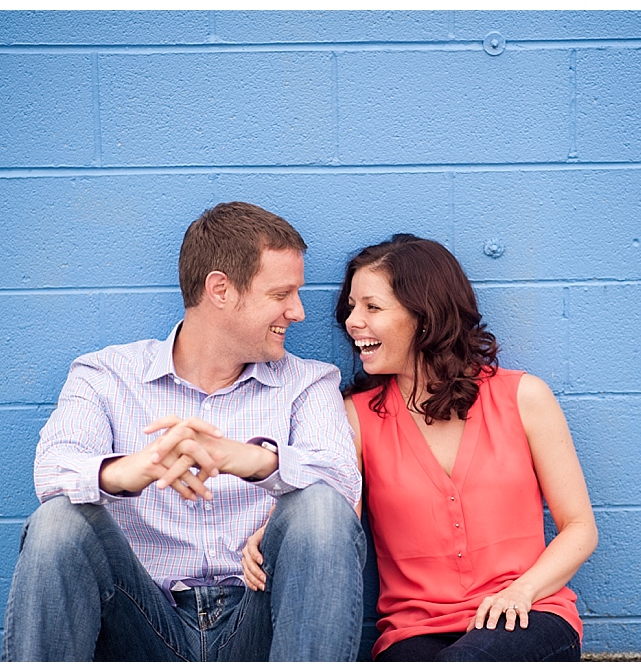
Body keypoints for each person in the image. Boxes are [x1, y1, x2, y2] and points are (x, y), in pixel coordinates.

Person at [1, 202, 365, 662]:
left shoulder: (309, 381)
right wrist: (129, 470)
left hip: (258, 619)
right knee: (59, 522)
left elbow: (340, 480)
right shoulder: (106, 374)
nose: (298, 312)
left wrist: (252, 460)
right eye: (281, 294)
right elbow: (53, 469)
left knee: (320, 509)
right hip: (145, 621)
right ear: (220, 290)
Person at [243, 234, 597, 661]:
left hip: (525, 616)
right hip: (412, 635)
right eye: (351, 308)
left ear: (424, 316)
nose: (353, 321)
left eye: (372, 307)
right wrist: (282, 532)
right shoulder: (356, 417)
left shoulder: (524, 398)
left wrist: (522, 591)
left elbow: (580, 527)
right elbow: (336, 525)